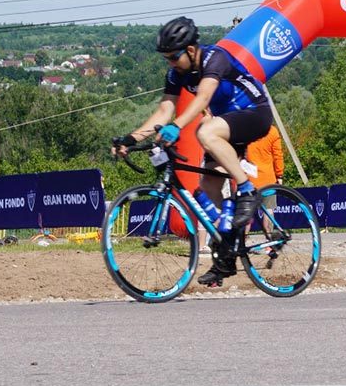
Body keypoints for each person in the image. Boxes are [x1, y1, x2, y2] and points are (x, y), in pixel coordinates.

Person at [118, 16, 273, 286]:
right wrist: (132, 137)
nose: (170, 63)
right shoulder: (176, 73)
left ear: (190, 50)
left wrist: (177, 126)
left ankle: (247, 190)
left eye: (173, 57)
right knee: (208, 185)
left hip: (253, 114)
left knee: (204, 130)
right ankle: (226, 254)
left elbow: (202, 97)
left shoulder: (216, 58)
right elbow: (165, 109)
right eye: (166, 58)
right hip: (226, 126)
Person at [246, 123, 285, 236]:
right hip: (268, 179)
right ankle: (269, 242)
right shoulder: (272, 131)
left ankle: (242, 243)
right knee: (268, 210)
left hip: (249, 178)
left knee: (246, 213)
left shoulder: (247, 129)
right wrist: (279, 174)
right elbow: (278, 155)